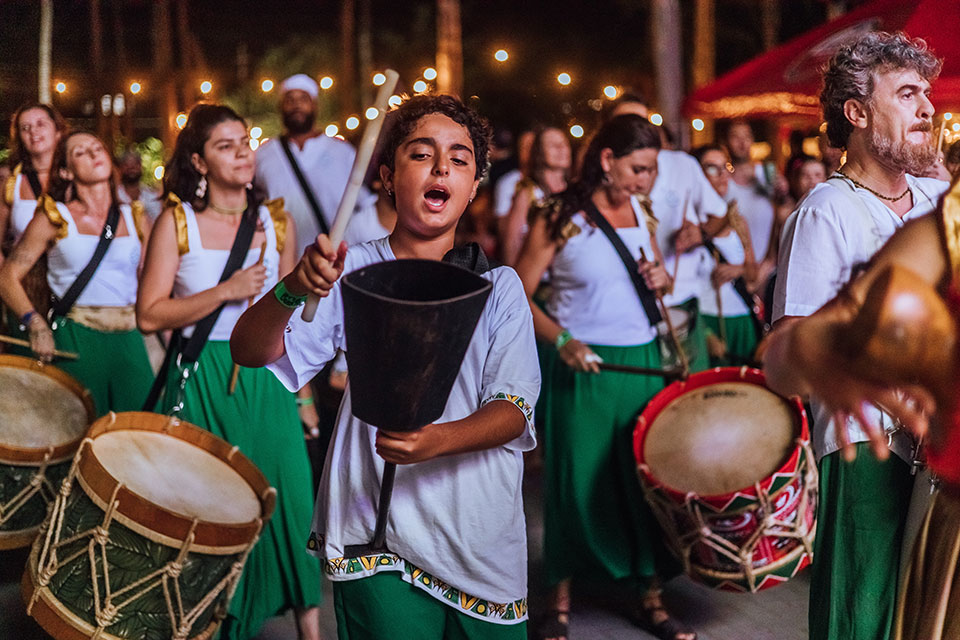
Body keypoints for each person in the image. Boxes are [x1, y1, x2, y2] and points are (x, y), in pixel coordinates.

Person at [231, 94, 539, 640]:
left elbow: (513, 411)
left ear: (473, 187)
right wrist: (293, 287)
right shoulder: (350, 271)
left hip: (479, 534)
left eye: (460, 159)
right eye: (422, 154)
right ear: (387, 177)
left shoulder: (501, 288)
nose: (442, 167)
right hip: (376, 528)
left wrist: (434, 441)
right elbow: (250, 351)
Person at [772, 31, 947, 640]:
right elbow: (792, 342)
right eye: (907, 94)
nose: (928, 106)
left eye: (926, 93)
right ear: (857, 113)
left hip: (940, 448)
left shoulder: (935, 196)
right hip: (868, 444)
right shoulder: (827, 211)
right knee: (864, 613)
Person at [135, 104, 322, 640]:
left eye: (244, 140)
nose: (243, 151)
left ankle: (311, 629)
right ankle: (214, 623)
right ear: (198, 160)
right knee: (211, 507)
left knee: (289, 496)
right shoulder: (177, 222)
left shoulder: (274, 221)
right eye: (225, 145)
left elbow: (289, 321)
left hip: (267, 376)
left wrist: (303, 395)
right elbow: (149, 312)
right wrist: (226, 291)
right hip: (201, 372)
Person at [514, 114, 694, 640]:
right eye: (638, 168)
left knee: (639, 481)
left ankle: (649, 594)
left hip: (641, 364)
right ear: (608, 160)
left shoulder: (645, 212)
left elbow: (655, 279)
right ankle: (560, 597)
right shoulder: (558, 215)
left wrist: (662, 276)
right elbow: (516, 293)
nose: (646, 180)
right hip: (584, 365)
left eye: (653, 170)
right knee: (575, 480)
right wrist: (563, 341)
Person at [0, 130, 153, 415]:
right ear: (66, 172)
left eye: (97, 148)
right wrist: (35, 324)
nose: (94, 154)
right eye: (80, 152)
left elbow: (152, 281)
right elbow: (7, 277)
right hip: (76, 334)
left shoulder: (136, 217)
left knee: (137, 430)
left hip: (129, 336)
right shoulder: (55, 216)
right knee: (79, 431)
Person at [608, 94, 728, 373]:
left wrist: (700, 233)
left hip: (682, 298)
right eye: (624, 123)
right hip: (628, 310)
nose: (635, 130)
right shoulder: (599, 178)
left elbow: (721, 215)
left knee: (691, 394)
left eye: (641, 121)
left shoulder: (682, 165)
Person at [254, 73, 376, 258]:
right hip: (282, 265)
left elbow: (364, 205)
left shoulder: (343, 152)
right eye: (290, 99)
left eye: (303, 98)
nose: (296, 105)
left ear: (315, 105)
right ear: (281, 106)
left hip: (335, 261)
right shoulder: (263, 155)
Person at [0, 103, 66, 335]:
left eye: (40, 124)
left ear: (58, 130)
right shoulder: (11, 183)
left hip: (72, 287)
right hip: (26, 289)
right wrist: (9, 287)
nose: (33, 132)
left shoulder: (79, 177)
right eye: (25, 128)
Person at [691, 144, 759, 365]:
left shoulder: (737, 220)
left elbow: (752, 274)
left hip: (740, 318)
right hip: (705, 318)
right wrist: (705, 334)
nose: (722, 175)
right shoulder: (688, 224)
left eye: (725, 167)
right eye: (712, 168)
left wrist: (738, 269)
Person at [500, 125, 571, 265]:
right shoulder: (528, 192)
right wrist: (515, 282)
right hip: (537, 280)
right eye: (553, 145)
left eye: (564, 144)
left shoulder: (574, 192)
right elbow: (511, 242)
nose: (561, 148)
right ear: (540, 152)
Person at [115, 149, 164, 220]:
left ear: (141, 166)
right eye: (127, 164)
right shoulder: (115, 195)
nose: (131, 168)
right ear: (120, 168)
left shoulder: (152, 195)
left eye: (135, 164)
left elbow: (158, 219)